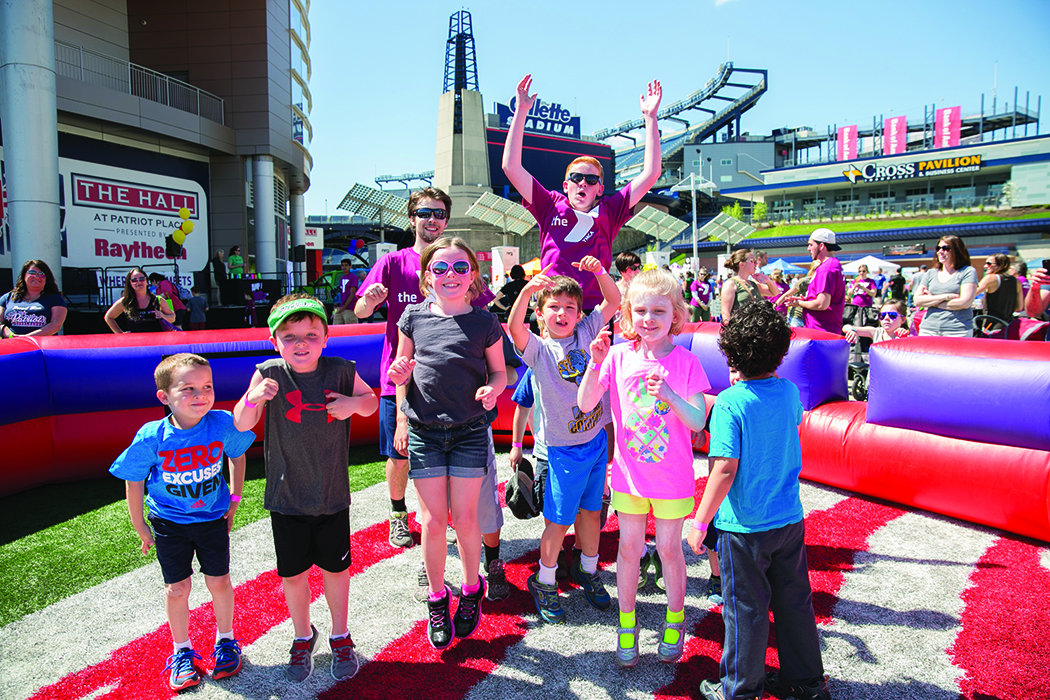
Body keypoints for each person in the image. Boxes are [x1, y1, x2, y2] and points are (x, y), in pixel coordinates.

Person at [233, 294, 378, 683]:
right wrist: (252, 398)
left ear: (326, 337)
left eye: (311, 334)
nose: (301, 343)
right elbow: (243, 424)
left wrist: (353, 404)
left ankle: (340, 634)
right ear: (274, 340)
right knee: (294, 574)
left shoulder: (341, 370)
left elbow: (371, 401)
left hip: (331, 492)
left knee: (336, 569)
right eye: (290, 336)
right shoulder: (268, 373)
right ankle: (302, 635)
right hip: (287, 496)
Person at [689, 301, 830, 700]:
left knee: (745, 609)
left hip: (744, 528)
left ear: (731, 354)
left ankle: (738, 689)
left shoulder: (731, 403)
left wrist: (700, 522)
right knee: (794, 603)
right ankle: (806, 684)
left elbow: (724, 469)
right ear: (781, 352)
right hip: (788, 519)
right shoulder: (787, 391)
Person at [577, 269, 710, 667]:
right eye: (640, 310)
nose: (648, 318)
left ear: (676, 316)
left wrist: (669, 394)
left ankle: (674, 620)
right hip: (629, 476)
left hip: (672, 479)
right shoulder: (616, 356)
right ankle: (627, 623)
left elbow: (698, 422)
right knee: (629, 549)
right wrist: (592, 363)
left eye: (658, 310)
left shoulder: (686, 362)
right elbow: (586, 404)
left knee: (669, 549)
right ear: (628, 316)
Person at [354, 188, 497, 555]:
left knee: (449, 457)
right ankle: (398, 514)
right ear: (412, 218)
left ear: (446, 220)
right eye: (423, 213)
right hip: (400, 379)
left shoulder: (457, 262)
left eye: (438, 213)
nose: (431, 219)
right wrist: (368, 302)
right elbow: (360, 311)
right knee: (399, 453)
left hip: (451, 386)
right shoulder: (393, 263)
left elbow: (482, 308)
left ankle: (440, 520)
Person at [386, 237, 507, 649]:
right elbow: (399, 372)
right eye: (440, 269)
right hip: (424, 432)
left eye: (459, 268)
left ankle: (472, 589)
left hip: (470, 429)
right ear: (426, 277)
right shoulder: (413, 317)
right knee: (433, 521)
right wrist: (401, 388)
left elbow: (499, 372)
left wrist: (492, 391)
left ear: (473, 275)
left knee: (466, 518)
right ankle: (438, 599)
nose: (449, 276)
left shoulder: (485, 321)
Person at [109, 354, 255, 692]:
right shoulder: (152, 436)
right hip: (168, 522)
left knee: (219, 582)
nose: (200, 395)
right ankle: (181, 651)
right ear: (165, 396)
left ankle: (226, 641)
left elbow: (238, 455)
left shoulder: (220, 423)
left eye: (206, 386)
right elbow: (133, 480)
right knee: (177, 588)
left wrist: (234, 499)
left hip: (211, 519)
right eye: (188, 388)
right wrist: (139, 525)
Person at [507, 255, 621, 624]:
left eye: (569, 307)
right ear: (541, 314)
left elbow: (614, 301)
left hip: (594, 444)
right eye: (553, 306)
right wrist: (526, 291)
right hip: (559, 452)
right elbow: (513, 327)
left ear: (578, 314)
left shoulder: (587, 332)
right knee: (558, 521)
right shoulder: (538, 350)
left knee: (592, 514)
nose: (562, 313)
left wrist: (599, 272)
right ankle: (543, 580)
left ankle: (587, 569)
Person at [502, 74, 662, 310]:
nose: (583, 183)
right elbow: (511, 167)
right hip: (553, 308)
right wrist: (521, 111)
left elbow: (651, 173)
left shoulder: (612, 209)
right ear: (566, 186)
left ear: (600, 188)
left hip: (593, 311)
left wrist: (650, 118)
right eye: (576, 178)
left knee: (589, 350)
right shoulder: (549, 204)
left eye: (591, 179)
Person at [914, 235, 977, 337]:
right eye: (938, 248)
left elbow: (965, 302)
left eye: (945, 248)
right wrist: (945, 297)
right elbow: (917, 301)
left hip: (957, 330)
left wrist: (931, 301)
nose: (940, 251)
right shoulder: (931, 273)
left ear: (957, 250)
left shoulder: (967, 271)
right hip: (928, 328)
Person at [785, 228, 846, 334]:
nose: (808, 248)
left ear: (821, 246)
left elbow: (821, 304)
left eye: (811, 245)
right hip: (823, 330)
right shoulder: (832, 265)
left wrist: (800, 303)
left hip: (821, 331)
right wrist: (806, 300)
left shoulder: (827, 268)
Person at [0, 259, 67, 337]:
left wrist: (27, 338)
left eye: (41, 274)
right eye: (32, 273)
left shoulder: (55, 299)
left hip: (42, 347)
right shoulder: (7, 298)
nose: (37, 276)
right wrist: (12, 335)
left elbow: (56, 325)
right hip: (12, 345)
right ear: (24, 275)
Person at [104, 268, 176, 333]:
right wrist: (120, 334)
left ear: (147, 281)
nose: (138, 282)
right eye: (134, 280)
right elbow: (108, 317)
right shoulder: (125, 301)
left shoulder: (158, 299)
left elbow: (172, 318)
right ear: (130, 283)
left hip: (156, 343)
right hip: (135, 344)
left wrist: (163, 316)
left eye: (142, 279)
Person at [976, 254, 1023, 332]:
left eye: (988, 263)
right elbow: (1019, 307)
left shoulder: (991, 278)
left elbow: (971, 295)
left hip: (991, 325)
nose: (985, 266)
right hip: (1008, 326)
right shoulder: (1016, 281)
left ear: (1000, 265)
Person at [719, 250, 763, 323]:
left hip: (754, 328)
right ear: (742, 265)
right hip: (740, 329)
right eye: (752, 261)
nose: (756, 263)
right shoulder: (730, 283)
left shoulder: (752, 284)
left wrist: (767, 280)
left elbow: (775, 292)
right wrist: (730, 330)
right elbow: (725, 312)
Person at [843, 299, 910, 344]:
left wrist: (904, 339)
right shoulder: (876, 332)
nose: (886, 318)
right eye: (882, 315)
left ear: (903, 320)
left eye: (892, 315)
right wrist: (852, 330)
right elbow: (845, 327)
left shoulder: (906, 336)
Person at [331, 259, 359, 325]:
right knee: (336, 326)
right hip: (342, 306)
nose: (344, 267)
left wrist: (344, 306)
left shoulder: (353, 277)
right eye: (342, 265)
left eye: (346, 265)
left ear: (350, 266)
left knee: (351, 329)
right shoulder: (342, 278)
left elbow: (352, 294)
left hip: (350, 307)